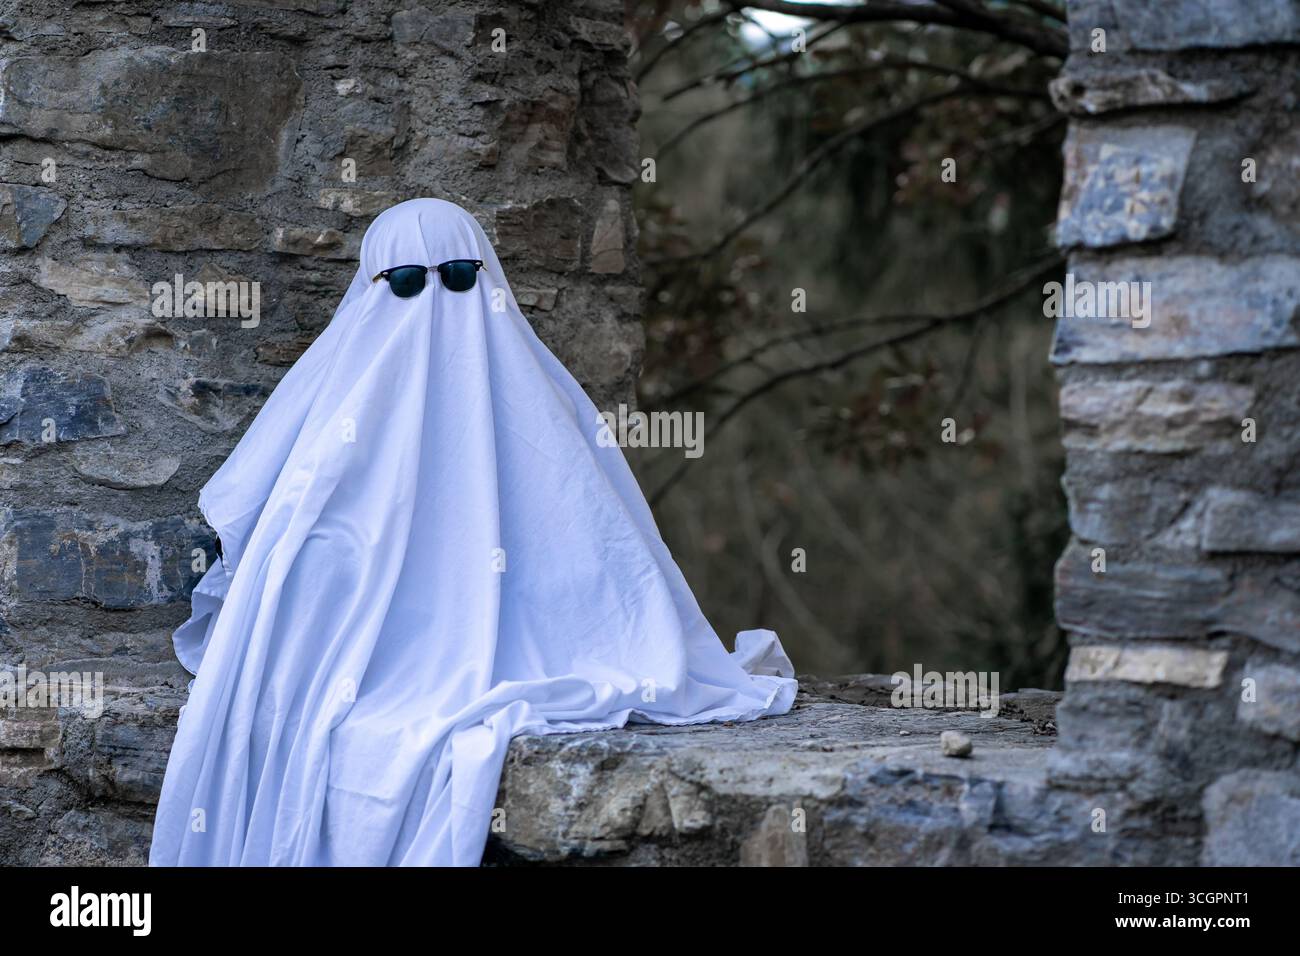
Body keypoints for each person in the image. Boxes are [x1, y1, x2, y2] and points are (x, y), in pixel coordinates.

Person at [149, 198, 797, 866]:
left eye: (460, 277)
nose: (436, 302)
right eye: (409, 282)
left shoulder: (545, 416)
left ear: (489, 281)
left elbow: (610, 561)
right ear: (375, 286)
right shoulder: (330, 430)